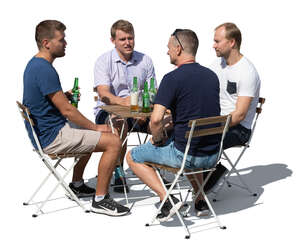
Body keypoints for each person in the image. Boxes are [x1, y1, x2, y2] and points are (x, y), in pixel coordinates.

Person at [23, 20, 130, 216]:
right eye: (61, 40)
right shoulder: (44, 69)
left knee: (87, 130)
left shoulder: (34, 65)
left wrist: (65, 95)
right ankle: (101, 199)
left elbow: (48, 100)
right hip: (53, 137)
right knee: (114, 141)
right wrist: (95, 127)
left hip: (46, 132)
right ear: (47, 43)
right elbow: (67, 111)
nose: (66, 43)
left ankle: (77, 184)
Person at [126, 29, 221, 221]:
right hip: (212, 156)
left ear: (178, 49)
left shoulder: (172, 79)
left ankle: (167, 199)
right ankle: (200, 200)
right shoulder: (212, 76)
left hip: (187, 157)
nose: (167, 52)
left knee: (132, 155)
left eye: (169, 48)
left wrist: (158, 139)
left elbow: (155, 120)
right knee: (191, 142)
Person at [94, 19, 157, 193]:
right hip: (109, 110)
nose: (128, 43)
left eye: (131, 38)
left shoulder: (145, 60)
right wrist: (126, 105)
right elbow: (103, 93)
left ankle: (153, 162)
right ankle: (118, 170)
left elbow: (152, 91)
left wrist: (143, 108)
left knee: (164, 121)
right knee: (120, 122)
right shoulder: (104, 61)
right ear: (113, 40)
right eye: (123, 39)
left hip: (140, 109)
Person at [204, 22, 261, 192]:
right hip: (218, 121)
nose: (213, 45)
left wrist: (212, 125)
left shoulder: (247, 72)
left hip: (238, 129)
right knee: (182, 130)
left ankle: (207, 177)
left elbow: (240, 115)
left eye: (217, 41)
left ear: (232, 42)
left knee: (198, 138)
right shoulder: (218, 64)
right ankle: (200, 175)